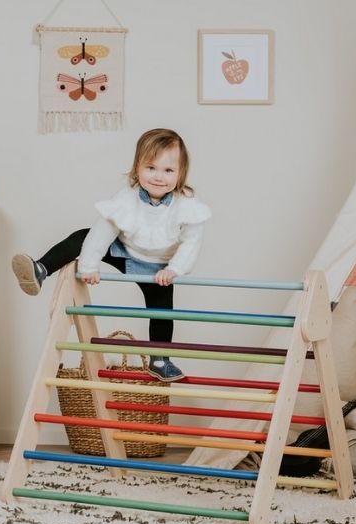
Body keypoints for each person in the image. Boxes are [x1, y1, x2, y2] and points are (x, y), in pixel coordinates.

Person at [11, 128, 211, 382]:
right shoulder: (127, 196)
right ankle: (41, 268)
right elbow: (102, 231)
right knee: (84, 235)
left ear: (181, 173)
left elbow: (192, 241)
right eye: (151, 168)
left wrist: (174, 269)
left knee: (162, 310)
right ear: (137, 167)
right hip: (124, 251)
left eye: (168, 170)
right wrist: (89, 265)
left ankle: (160, 359)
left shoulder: (187, 203)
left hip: (158, 267)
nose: (159, 177)